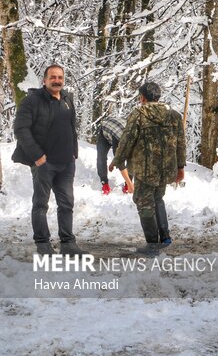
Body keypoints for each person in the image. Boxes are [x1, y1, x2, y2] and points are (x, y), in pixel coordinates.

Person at [12, 64, 87, 255]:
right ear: (44, 80)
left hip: (66, 162)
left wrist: (73, 152)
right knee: (41, 204)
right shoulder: (32, 101)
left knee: (67, 203)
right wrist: (37, 156)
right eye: (53, 77)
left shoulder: (67, 98)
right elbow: (20, 129)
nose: (57, 81)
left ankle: (68, 243)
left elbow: (71, 127)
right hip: (44, 163)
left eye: (60, 77)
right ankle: (43, 243)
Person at [109, 82, 185, 248]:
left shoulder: (138, 114)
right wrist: (180, 167)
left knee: (143, 203)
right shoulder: (174, 115)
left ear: (142, 97)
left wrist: (118, 160)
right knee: (158, 198)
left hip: (145, 169)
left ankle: (152, 243)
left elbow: (127, 139)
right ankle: (165, 237)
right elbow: (181, 143)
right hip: (166, 169)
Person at [96, 117, 134, 195]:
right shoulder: (119, 140)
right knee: (101, 157)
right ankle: (104, 182)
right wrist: (130, 184)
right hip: (106, 131)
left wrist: (129, 183)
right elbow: (120, 162)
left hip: (118, 129)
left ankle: (127, 184)